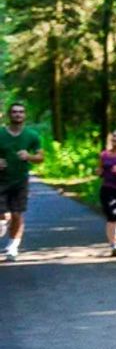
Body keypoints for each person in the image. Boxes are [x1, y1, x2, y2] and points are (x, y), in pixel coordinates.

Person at [1, 101, 45, 262]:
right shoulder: (1, 133)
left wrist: (29, 156)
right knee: (2, 216)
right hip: (1, 180)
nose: (17, 114)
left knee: (17, 214)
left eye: (20, 112)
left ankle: (13, 246)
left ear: (24, 115)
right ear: (9, 115)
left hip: (20, 180)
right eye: (14, 112)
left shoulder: (32, 135)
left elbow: (41, 157)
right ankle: (3, 225)